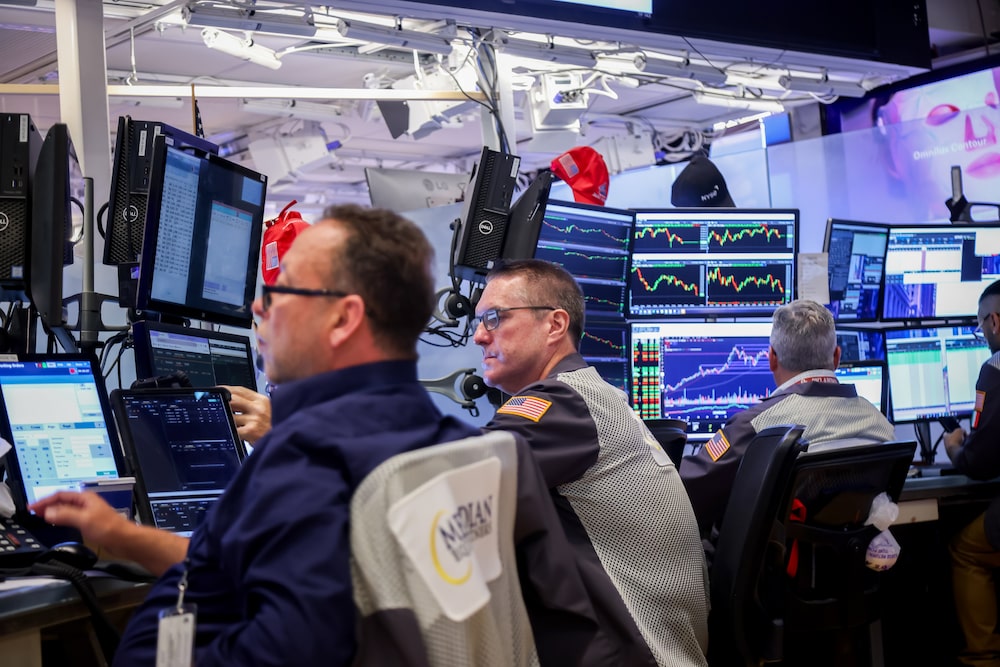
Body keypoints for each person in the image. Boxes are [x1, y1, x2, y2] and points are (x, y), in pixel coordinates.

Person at [32, 204, 482, 665]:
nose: (257, 307)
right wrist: (124, 537)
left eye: (282, 290)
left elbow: (277, 653)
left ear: (343, 319)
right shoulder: (454, 444)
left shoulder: (310, 462)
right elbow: (232, 565)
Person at [473, 258, 710, 667]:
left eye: (494, 318)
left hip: (636, 654)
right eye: (478, 322)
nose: (479, 336)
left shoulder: (559, 403)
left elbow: (452, 482)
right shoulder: (592, 394)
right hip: (665, 645)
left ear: (555, 325)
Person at [680, 299, 896, 551]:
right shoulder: (880, 425)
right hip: (849, 577)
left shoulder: (758, 426)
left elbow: (686, 493)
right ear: (837, 357)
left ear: (772, 358)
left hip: (768, 581)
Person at [943, 278, 1000, 667]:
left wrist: (954, 449)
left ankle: (982, 659)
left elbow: (980, 464)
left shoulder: (994, 369)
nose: (981, 333)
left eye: (980, 324)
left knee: (965, 549)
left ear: (994, 321)